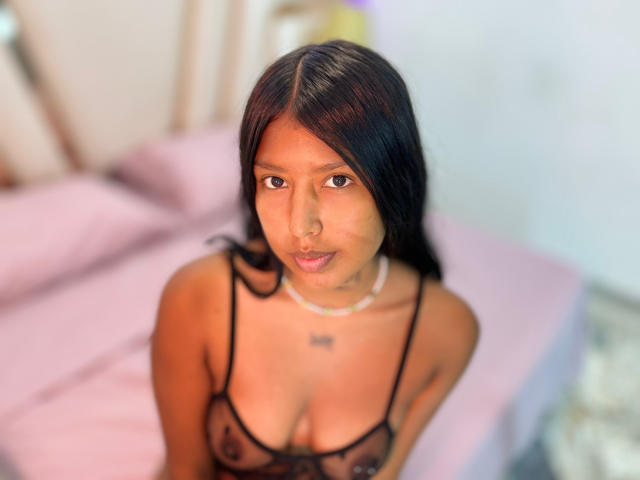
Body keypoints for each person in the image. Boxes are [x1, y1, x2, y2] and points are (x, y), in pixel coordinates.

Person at [151, 39, 479, 480]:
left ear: (393, 180)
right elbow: (185, 470)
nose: (301, 227)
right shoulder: (198, 298)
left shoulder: (447, 330)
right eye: (275, 181)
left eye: (338, 180)